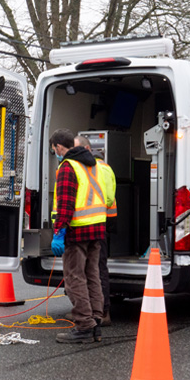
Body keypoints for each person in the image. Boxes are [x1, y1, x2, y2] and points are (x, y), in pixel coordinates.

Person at [50, 128, 107, 343]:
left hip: (77, 230)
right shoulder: (94, 165)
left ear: (59, 147)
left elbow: (65, 204)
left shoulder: (67, 166)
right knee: (92, 275)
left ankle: (84, 324)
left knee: (75, 278)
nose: (55, 152)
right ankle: (96, 320)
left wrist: (59, 232)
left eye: (54, 149)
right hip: (97, 228)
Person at [74, 135, 117, 326]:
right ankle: (93, 310)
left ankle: (103, 311)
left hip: (100, 221)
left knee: (97, 268)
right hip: (98, 220)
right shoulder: (98, 167)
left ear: (88, 149)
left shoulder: (99, 168)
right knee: (92, 267)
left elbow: (107, 199)